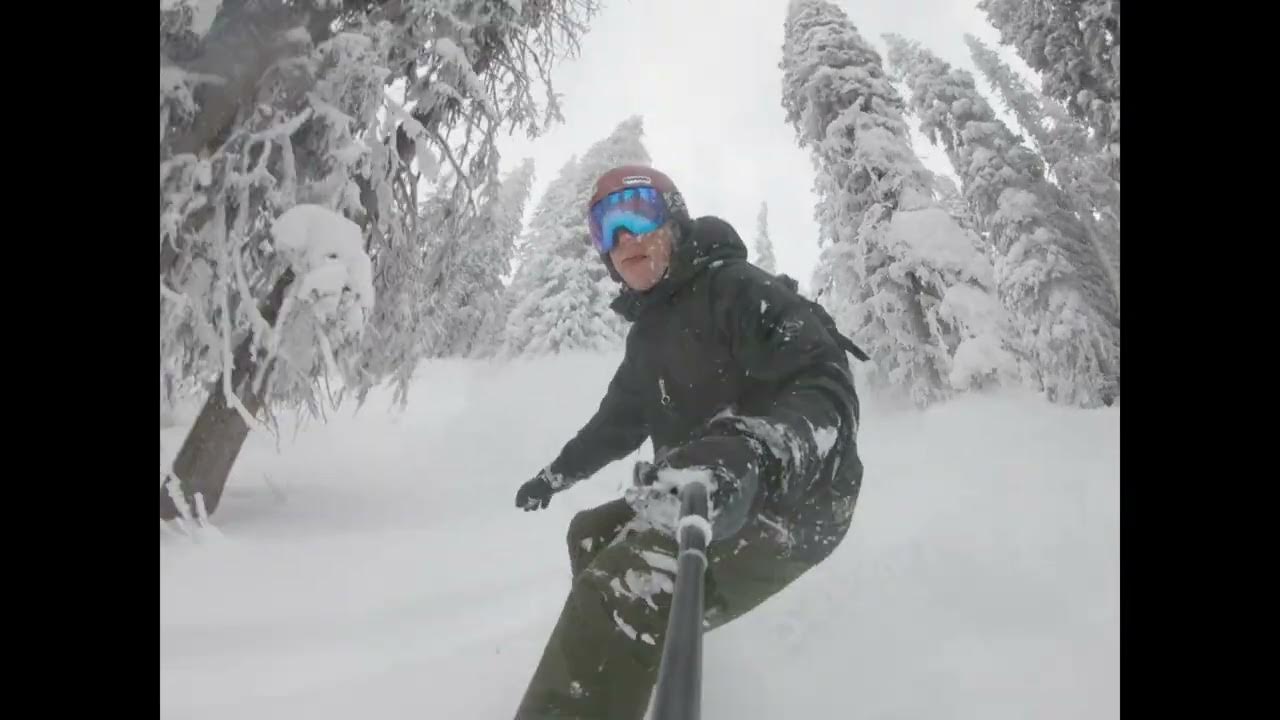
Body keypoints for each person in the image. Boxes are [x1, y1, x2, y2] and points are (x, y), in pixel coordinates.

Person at [512, 165, 864, 719]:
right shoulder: (648, 335)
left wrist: (754, 452)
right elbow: (615, 424)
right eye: (608, 226)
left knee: (622, 586)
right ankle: (625, 663)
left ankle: (625, 627)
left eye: (637, 213)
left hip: (795, 499)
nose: (625, 238)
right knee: (590, 537)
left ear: (674, 220)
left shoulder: (737, 288)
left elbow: (825, 387)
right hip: (703, 494)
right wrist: (554, 476)